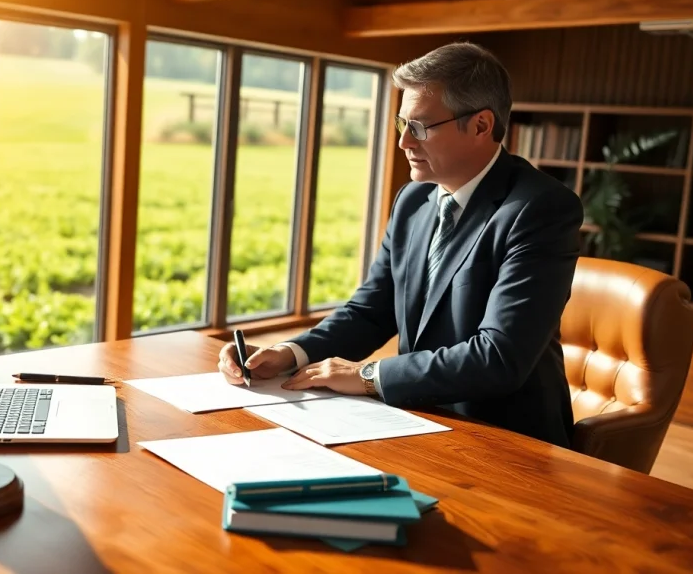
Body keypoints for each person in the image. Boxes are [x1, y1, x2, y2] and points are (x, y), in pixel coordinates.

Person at [218, 42, 584, 448]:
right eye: (402, 124)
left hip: (505, 439)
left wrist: (368, 375)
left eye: (421, 127)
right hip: (414, 419)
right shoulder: (414, 200)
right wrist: (292, 352)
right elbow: (372, 310)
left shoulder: (540, 208)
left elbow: (498, 357)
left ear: (481, 125)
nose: (404, 143)